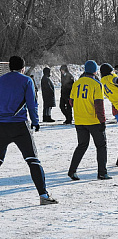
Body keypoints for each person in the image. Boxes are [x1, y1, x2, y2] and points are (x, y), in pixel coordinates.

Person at [0, 56, 58, 205]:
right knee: (33, 160)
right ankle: (43, 196)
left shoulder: (1, 79)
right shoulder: (26, 80)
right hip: (19, 125)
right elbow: (32, 104)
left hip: (1, 125)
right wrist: (36, 122)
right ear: (23, 68)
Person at [68, 60, 111, 180]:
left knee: (82, 145)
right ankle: (102, 172)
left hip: (79, 120)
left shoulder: (76, 83)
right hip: (93, 121)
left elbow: (71, 101)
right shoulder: (96, 84)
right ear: (95, 71)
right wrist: (102, 121)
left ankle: (72, 170)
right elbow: (99, 105)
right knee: (101, 146)